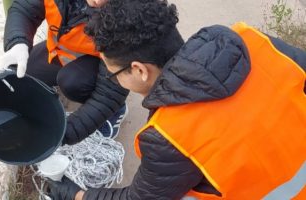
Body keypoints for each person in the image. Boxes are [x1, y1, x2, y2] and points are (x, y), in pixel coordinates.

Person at [46, 0, 306, 199]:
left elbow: (140, 198)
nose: (115, 81)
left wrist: (76, 195)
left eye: (113, 75)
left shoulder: (169, 137)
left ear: (139, 70)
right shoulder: (251, 40)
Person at [0, 0, 129, 144]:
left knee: (72, 82)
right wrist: (17, 42)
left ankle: (116, 111)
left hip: (102, 65)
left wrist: (62, 134)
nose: (98, 1)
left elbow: (108, 96)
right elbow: (24, 9)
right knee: (19, 73)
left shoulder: (127, 15)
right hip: (61, 52)